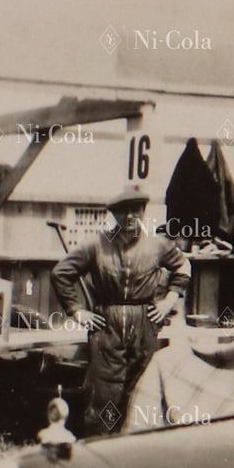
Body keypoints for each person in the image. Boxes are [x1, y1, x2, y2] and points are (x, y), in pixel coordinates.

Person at [51, 184, 190, 436]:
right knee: (104, 394)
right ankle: (99, 451)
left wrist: (169, 300)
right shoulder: (97, 245)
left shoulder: (157, 245)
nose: (129, 217)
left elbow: (183, 266)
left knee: (141, 391)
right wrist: (77, 311)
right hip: (107, 326)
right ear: (114, 215)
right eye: (123, 211)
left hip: (145, 324)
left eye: (135, 210)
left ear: (144, 211)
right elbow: (61, 273)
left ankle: (132, 452)